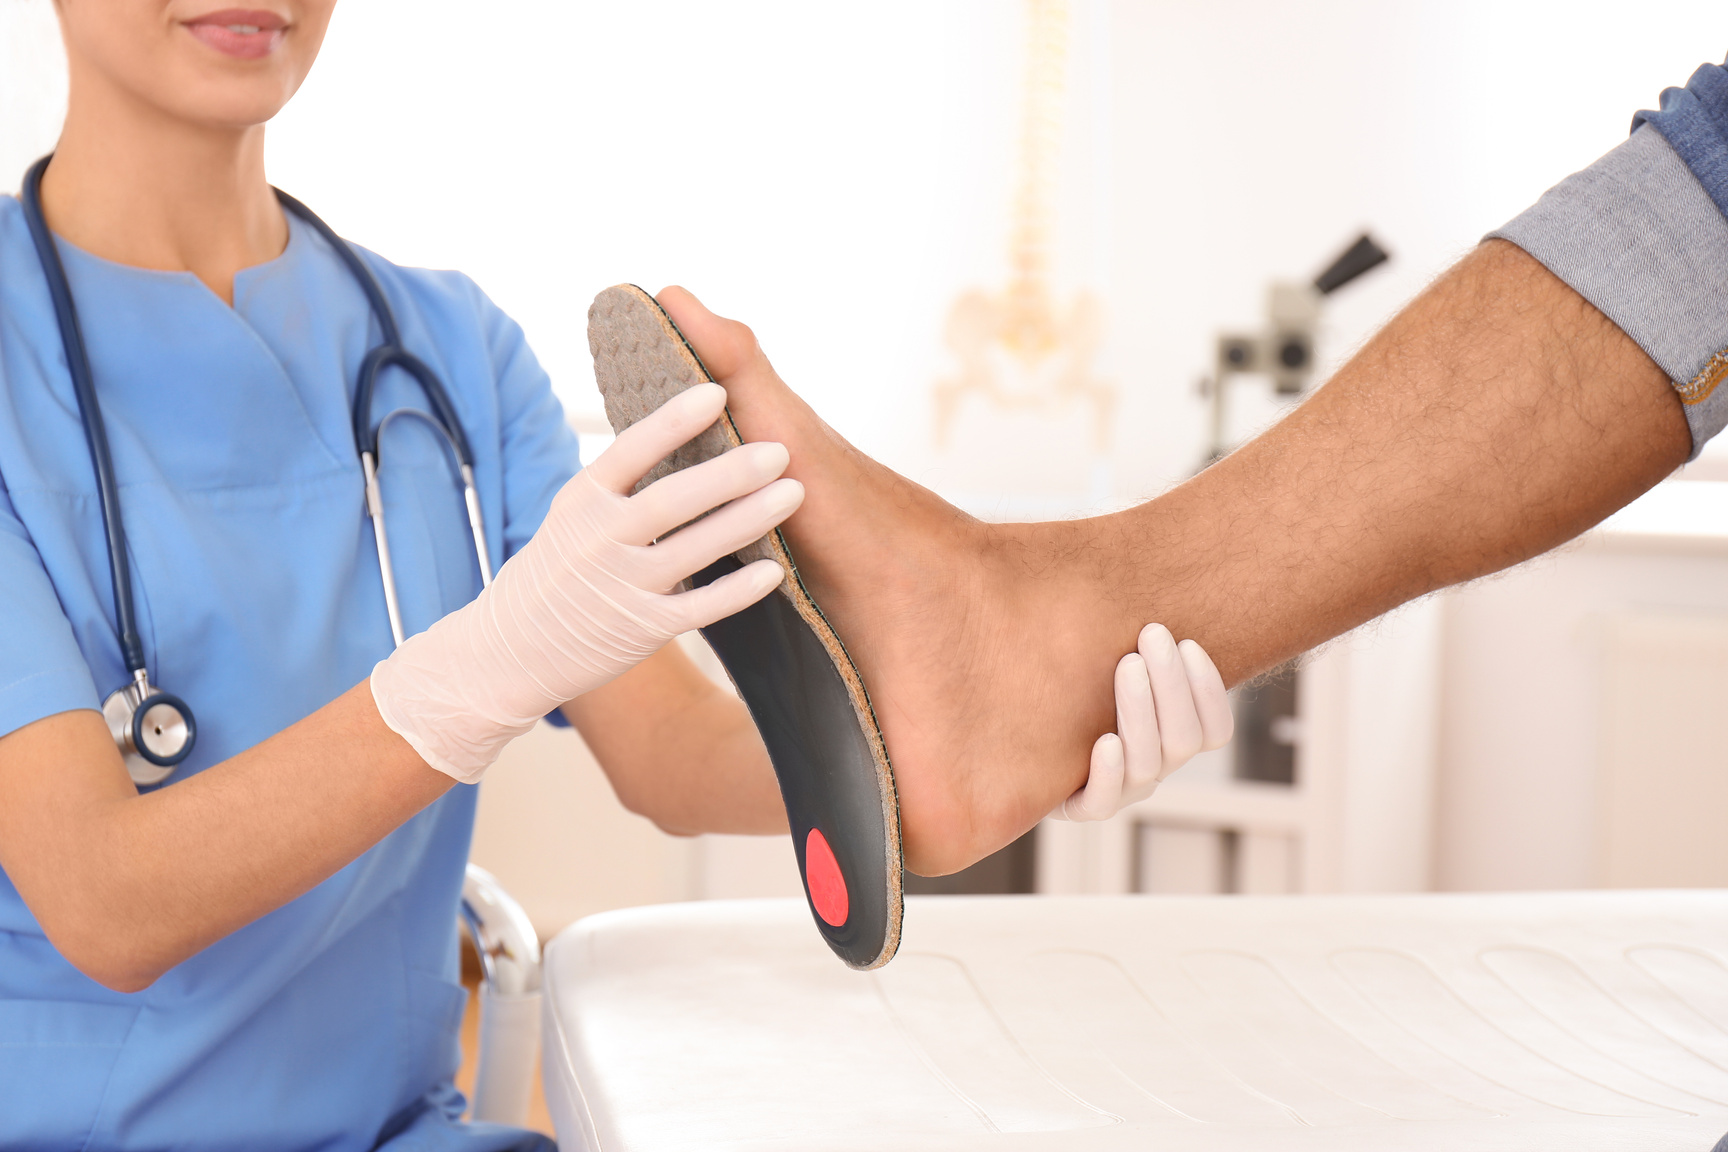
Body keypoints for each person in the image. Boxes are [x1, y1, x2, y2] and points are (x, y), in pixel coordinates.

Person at [0, 3, 1229, 1146]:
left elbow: (671, 756)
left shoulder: (446, 347)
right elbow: (106, 904)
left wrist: (966, 749)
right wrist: (473, 677)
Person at [645, 55, 1728, 878]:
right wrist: (472, 683)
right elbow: (656, 759)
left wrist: (880, 759)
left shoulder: (486, 376)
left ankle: (1035, 624)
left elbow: (674, 752)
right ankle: (1033, 623)